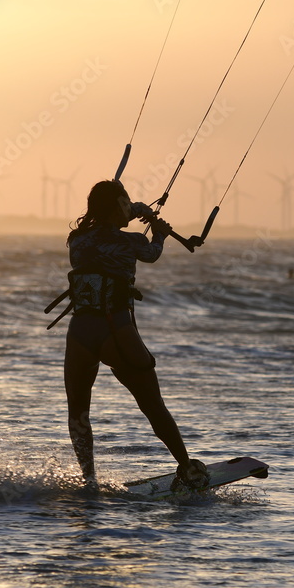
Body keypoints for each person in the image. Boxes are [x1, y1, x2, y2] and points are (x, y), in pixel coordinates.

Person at [62, 179, 208, 490]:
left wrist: (136, 209)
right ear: (117, 206)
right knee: (152, 404)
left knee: (78, 412)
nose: (131, 205)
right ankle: (187, 467)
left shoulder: (77, 240)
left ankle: (88, 479)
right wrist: (159, 233)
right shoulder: (130, 243)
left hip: (79, 333)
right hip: (114, 329)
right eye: (126, 201)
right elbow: (152, 253)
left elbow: (105, 229)